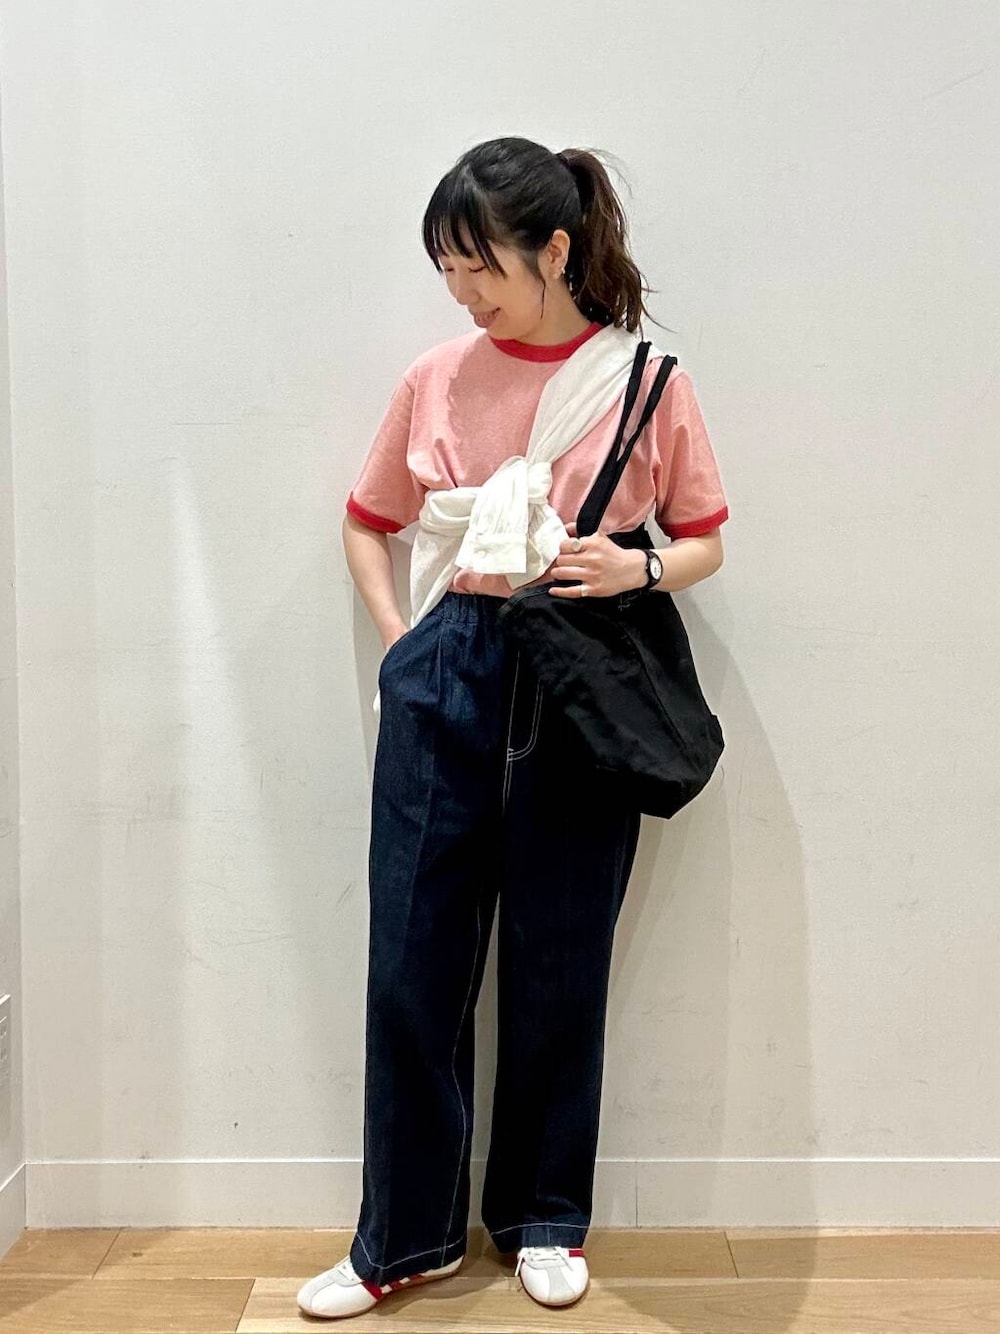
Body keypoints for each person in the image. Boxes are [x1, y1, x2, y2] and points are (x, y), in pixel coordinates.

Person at [297, 136, 729, 1320]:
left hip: (580, 673)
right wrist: (405, 644)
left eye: (479, 264)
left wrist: (637, 565)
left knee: (558, 955)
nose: (463, 292)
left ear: (555, 249)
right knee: (412, 960)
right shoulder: (435, 375)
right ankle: (404, 1235)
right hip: (449, 660)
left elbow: (704, 536)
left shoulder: (645, 381)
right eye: (446, 269)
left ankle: (545, 1215)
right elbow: (368, 518)